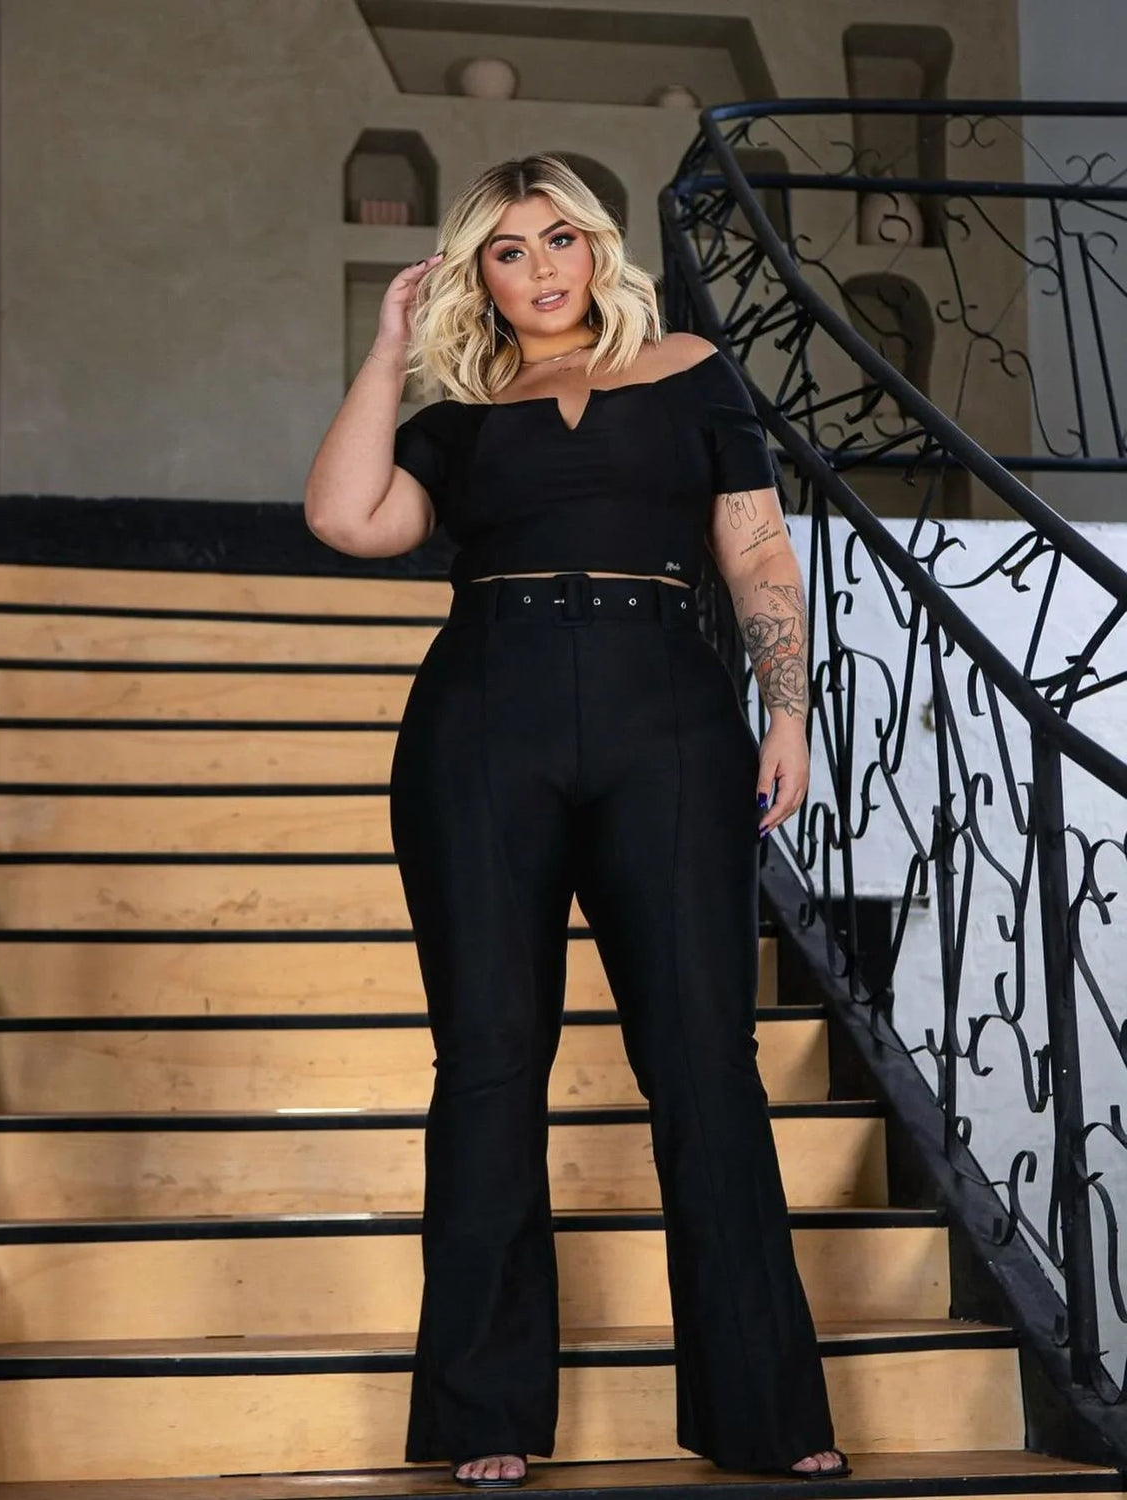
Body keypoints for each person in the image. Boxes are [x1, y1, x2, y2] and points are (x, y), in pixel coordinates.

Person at [303, 154, 848, 1489]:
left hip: (671, 717)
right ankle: (484, 1412)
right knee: (491, 1062)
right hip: (485, 727)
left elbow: (756, 551)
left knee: (705, 1059)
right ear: (476, 277)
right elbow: (345, 517)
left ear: (598, 247)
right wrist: (389, 344)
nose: (542, 268)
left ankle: (766, 1414)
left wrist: (787, 710)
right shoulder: (457, 414)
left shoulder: (693, 372)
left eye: (560, 238)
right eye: (508, 250)